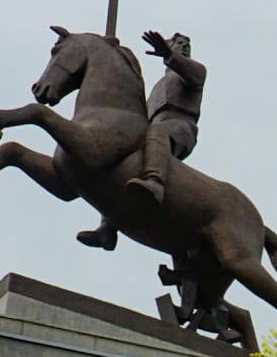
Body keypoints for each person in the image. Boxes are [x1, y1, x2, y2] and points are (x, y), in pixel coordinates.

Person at [77, 29, 207, 250]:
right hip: (151, 129)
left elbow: (191, 75)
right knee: (117, 158)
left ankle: (154, 181)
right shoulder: (157, 87)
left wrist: (169, 53)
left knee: (156, 132)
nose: (184, 46)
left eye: (186, 44)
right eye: (178, 43)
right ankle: (107, 228)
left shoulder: (195, 71)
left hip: (179, 127)